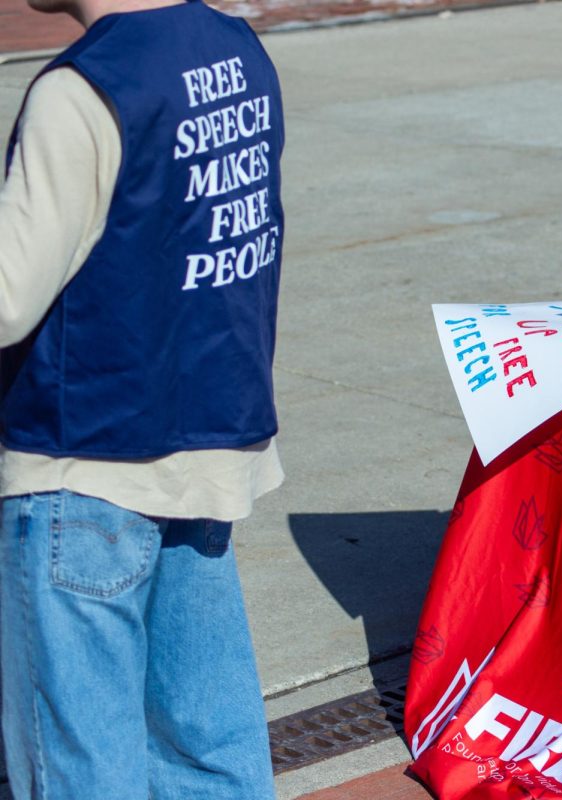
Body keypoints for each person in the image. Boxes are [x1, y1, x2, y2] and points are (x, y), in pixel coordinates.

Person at [0, 0, 285, 795]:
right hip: (209, 445)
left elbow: (9, 297)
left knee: (81, 768)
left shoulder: (81, 89)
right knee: (207, 753)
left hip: (82, 461)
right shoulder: (235, 50)